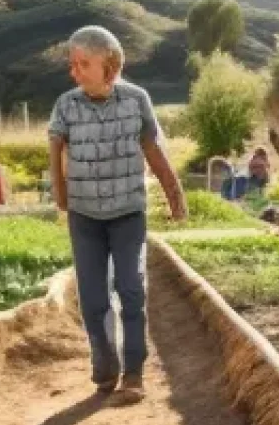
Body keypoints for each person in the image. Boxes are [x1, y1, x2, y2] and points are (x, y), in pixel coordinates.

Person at [49, 25, 187, 404]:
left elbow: (153, 148)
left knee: (131, 289)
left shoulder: (136, 100)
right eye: (72, 64)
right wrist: (61, 199)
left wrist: (174, 191)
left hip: (128, 212)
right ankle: (105, 366)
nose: (74, 71)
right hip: (85, 215)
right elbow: (55, 149)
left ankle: (134, 373)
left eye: (83, 64)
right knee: (93, 297)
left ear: (109, 64)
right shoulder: (66, 105)